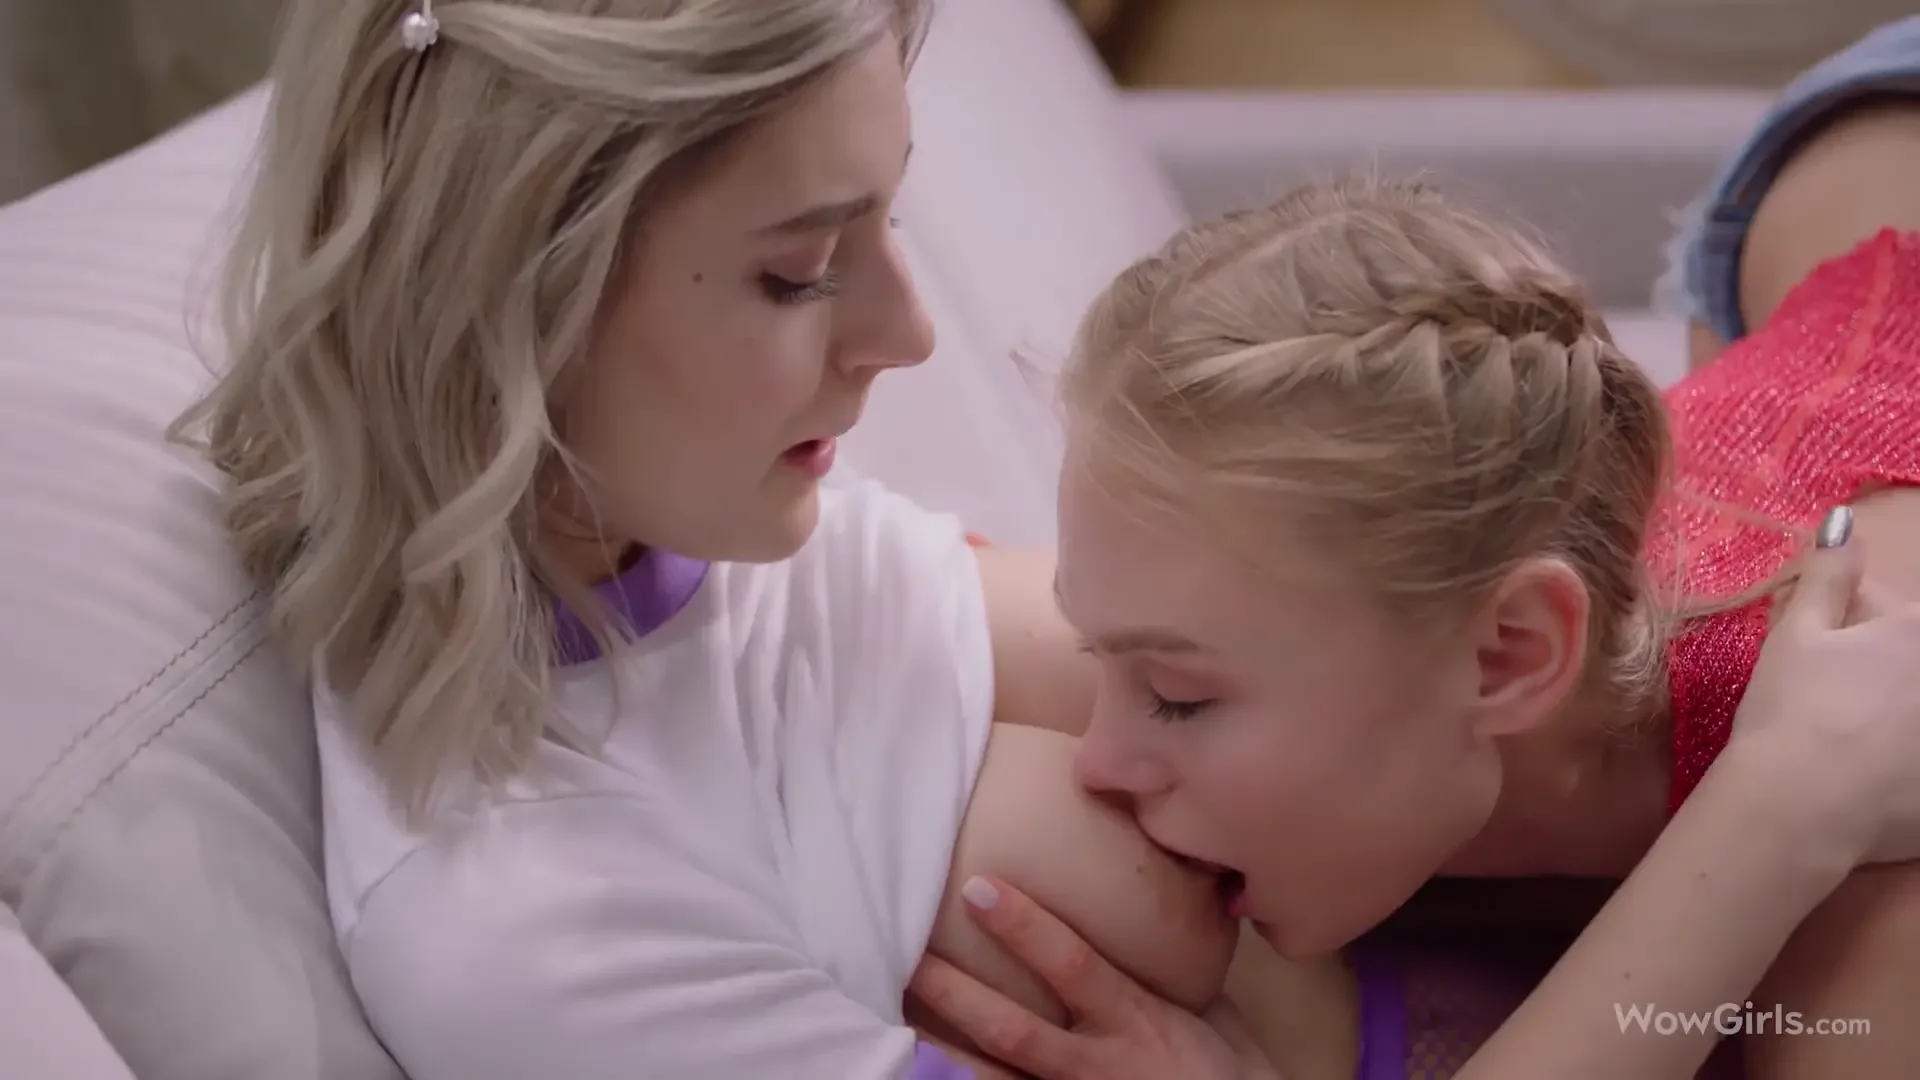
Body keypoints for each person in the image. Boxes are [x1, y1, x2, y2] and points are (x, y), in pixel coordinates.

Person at [171, 3, 1920, 1079]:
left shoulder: (745, 557)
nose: (908, 332)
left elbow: (1419, 634)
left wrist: (1772, 802)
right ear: (519, 302)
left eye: (887, 222)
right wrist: (1765, 820)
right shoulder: (537, 933)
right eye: (798, 270)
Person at [911, 21, 1920, 1080]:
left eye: (1177, 696)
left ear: (1509, 654)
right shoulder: (1285, 621)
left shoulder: (1869, 831)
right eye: (1106, 658)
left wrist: (1771, 810)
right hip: (1843, 224)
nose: (1097, 764)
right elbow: (818, 605)